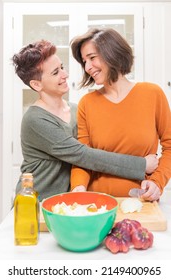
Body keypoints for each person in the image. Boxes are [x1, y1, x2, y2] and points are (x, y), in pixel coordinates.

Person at [12, 40, 157, 201]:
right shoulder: (35, 120)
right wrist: (141, 165)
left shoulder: (75, 109)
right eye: (55, 73)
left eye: (62, 67)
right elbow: (83, 155)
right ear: (36, 84)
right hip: (37, 204)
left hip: (68, 204)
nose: (64, 74)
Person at [70, 27, 171, 201]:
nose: (87, 67)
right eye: (84, 61)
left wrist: (157, 182)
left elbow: (170, 146)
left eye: (92, 58)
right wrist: (78, 187)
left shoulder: (152, 94)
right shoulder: (87, 103)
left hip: (141, 202)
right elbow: (82, 157)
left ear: (112, 53)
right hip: (98, 204)